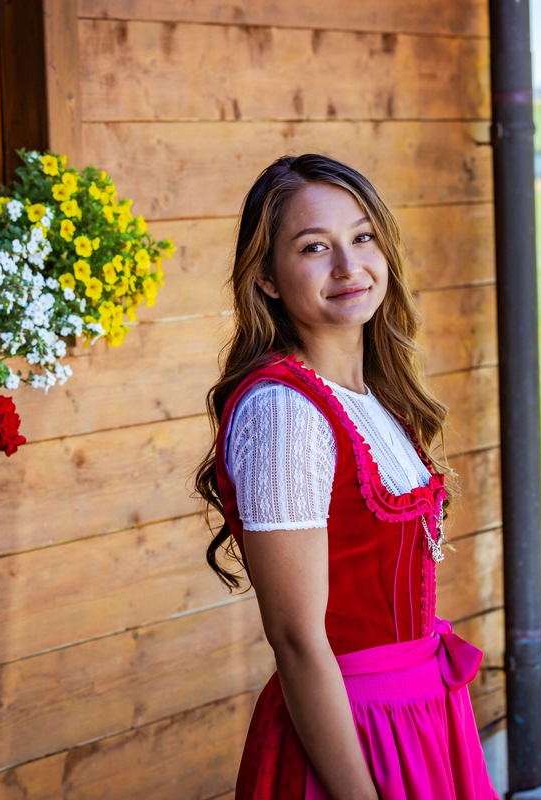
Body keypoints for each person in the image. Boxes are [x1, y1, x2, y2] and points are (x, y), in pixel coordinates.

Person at [195, 154, 497, 799]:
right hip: (356, 731)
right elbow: (298, 640)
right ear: (269, 278)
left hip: (422, 713)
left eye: (361, 237)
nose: (348, 266)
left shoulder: (373, 398)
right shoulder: (284, 414)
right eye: (313, 247)